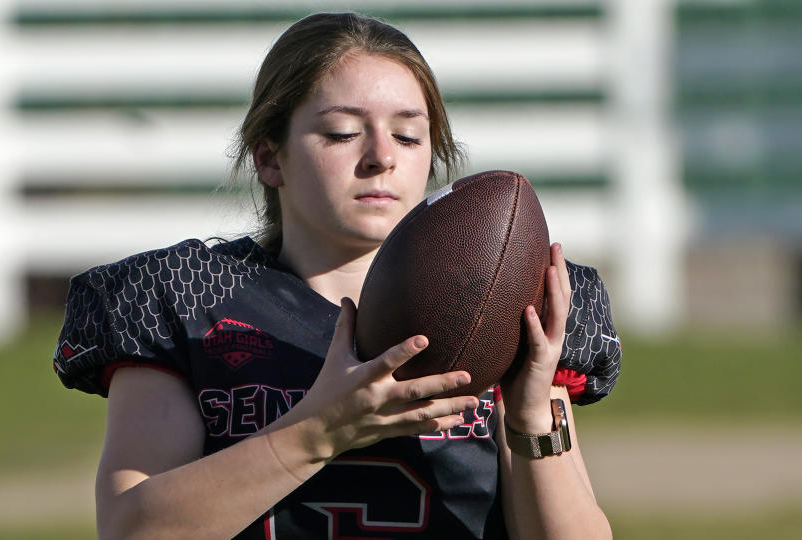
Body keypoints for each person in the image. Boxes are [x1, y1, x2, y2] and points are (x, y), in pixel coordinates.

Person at [53, 12, 618, 539]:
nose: (380, 157)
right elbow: (132, 527)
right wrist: (318, 433)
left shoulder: (505, 301)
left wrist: (529, 415)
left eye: (407, 135)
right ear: (270, 157)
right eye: (344, 133)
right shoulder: (190, 298)